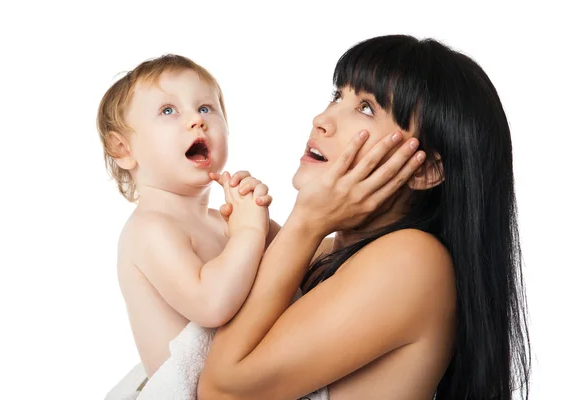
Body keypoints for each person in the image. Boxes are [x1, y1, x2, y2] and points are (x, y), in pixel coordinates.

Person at [198, 34, 531, 400]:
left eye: (367, 108)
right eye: (338, 95)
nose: (322, 120)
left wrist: (307, 219)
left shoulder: (412, 260)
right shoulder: (327, 253)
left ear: (425, 171)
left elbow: (222, 392)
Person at [96, 54, 278, 380]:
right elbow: (211, 304)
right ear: (123, 149)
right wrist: (250, 231)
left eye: (206, 108)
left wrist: (260, 217)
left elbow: (302, 264)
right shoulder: (148, 229)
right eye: (168, 111)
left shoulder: (224, 219)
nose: (196, 119)